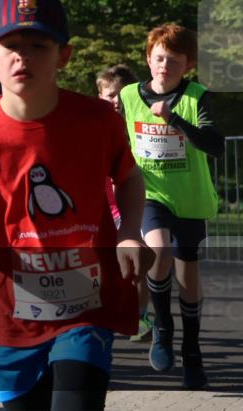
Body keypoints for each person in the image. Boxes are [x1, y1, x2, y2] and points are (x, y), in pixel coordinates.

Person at [0, 0, 151, 410]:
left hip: (85, 303)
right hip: (12, 308)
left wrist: (129, 232)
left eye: (39, 46)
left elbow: (129, 179)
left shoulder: (97, 120)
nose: (24, 57)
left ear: (63, 56)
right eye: (12, 46)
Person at [121, 24, 224, 389]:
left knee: (188, 278)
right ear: (148, 59)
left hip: (190, 197)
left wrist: (175, 120)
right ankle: (163, 329)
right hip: (151, 193)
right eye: (160, 58)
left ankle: (192, 352)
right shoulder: (129, 95)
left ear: (188, 65)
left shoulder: (197, 96)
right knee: (158, 250)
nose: (165, 66)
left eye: (174, 60)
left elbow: (215, 145)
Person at [96, 64, 153, 343]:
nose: (116, 100)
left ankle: (140, 314)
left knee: (136, 261)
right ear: (99, 97)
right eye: (110, 95)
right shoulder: (95, 126)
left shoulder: (138, 121)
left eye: (121, 94)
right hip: (103, 204)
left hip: (132, 203)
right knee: (104, 264)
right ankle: (105, 312)